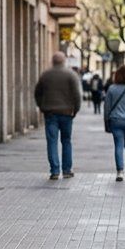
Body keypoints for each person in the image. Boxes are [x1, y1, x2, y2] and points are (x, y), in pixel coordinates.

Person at [33, 52, 84, 180]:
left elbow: (37, 92)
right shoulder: (71, 75)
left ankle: (55, 171)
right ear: (64, 61)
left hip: (50, 113)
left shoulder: (46, 75)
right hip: (67, 113)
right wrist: (76, 110)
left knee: (52, 141)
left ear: (53, 61)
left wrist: (42, 106)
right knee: (66, 141)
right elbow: (77, 95)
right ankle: (67, 170)